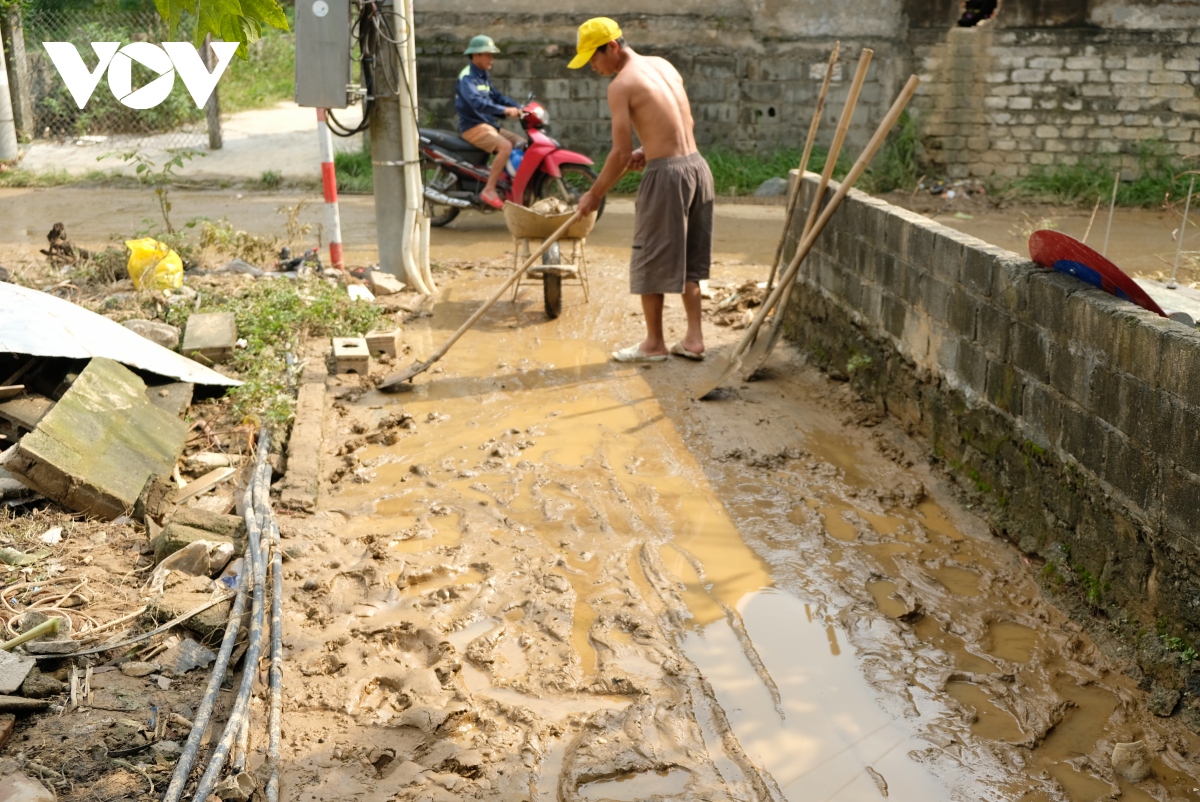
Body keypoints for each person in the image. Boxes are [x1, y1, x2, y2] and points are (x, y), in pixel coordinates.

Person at [570, 18, 713, 364]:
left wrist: (595, 194)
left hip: (666, 178)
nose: (593, 66)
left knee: (649, 255)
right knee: (691, 258)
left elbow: (619, 153)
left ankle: (654, 344)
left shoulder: (621, 85)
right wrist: (649, 149)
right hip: (697, 168)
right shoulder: (662, 65)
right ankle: (694, 339)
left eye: (594, 57)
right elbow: (683, 123)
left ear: (613, 47)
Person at [456, 35, 524, 209]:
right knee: (505, 146)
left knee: (521, 143)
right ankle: (490, 189)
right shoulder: (467, 77)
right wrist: (504, 111)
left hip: (488, 125)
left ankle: (506, 184)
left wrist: (519, 107)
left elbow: (497, 97)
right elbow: (477, 103)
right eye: (488, 54)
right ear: (476, 55)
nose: (492, 59)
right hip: (473, 127)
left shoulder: (482, 75)